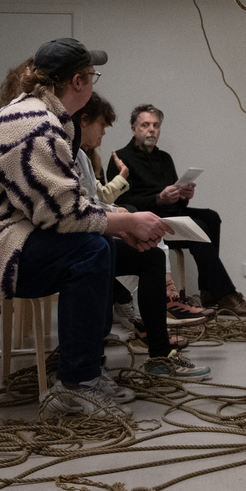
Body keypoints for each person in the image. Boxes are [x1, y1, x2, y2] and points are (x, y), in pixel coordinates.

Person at [0, 38, 168, 417]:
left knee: (99, 244)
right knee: (89, 251)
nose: (93, 82)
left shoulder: (42, 116)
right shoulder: (34, 125)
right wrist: (127, 220)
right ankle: (76, 385)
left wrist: (115, 228)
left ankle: (86, 371)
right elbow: (62, 215)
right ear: (78, 81)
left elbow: (60, 207)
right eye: (92, 75)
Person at [74, 92, 209, 380]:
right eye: (102, 124)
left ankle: (159, 352)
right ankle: (130, 325)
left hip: (102, 226)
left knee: (159, 251)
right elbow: (76, 211)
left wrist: (180, 196)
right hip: (79, 239)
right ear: (83, 121)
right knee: (115, 249)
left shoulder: (83, 156)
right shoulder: (74, 153)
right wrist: (126, 219)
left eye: (156, 125)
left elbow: (92, 202)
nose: (104, 132)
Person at [109, 104, 246, 316]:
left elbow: (175, 204)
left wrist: (183, 196)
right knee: (199, 227)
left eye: (156, 125)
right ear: (134, 129)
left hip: (170, 215)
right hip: (147, 222)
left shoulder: (165, 158)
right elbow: (120, 204)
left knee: (211, 217)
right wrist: (158, 199)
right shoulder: (121, 159)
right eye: (145, 125)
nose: (151, 130)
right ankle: (226, 294)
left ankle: (208, 291)